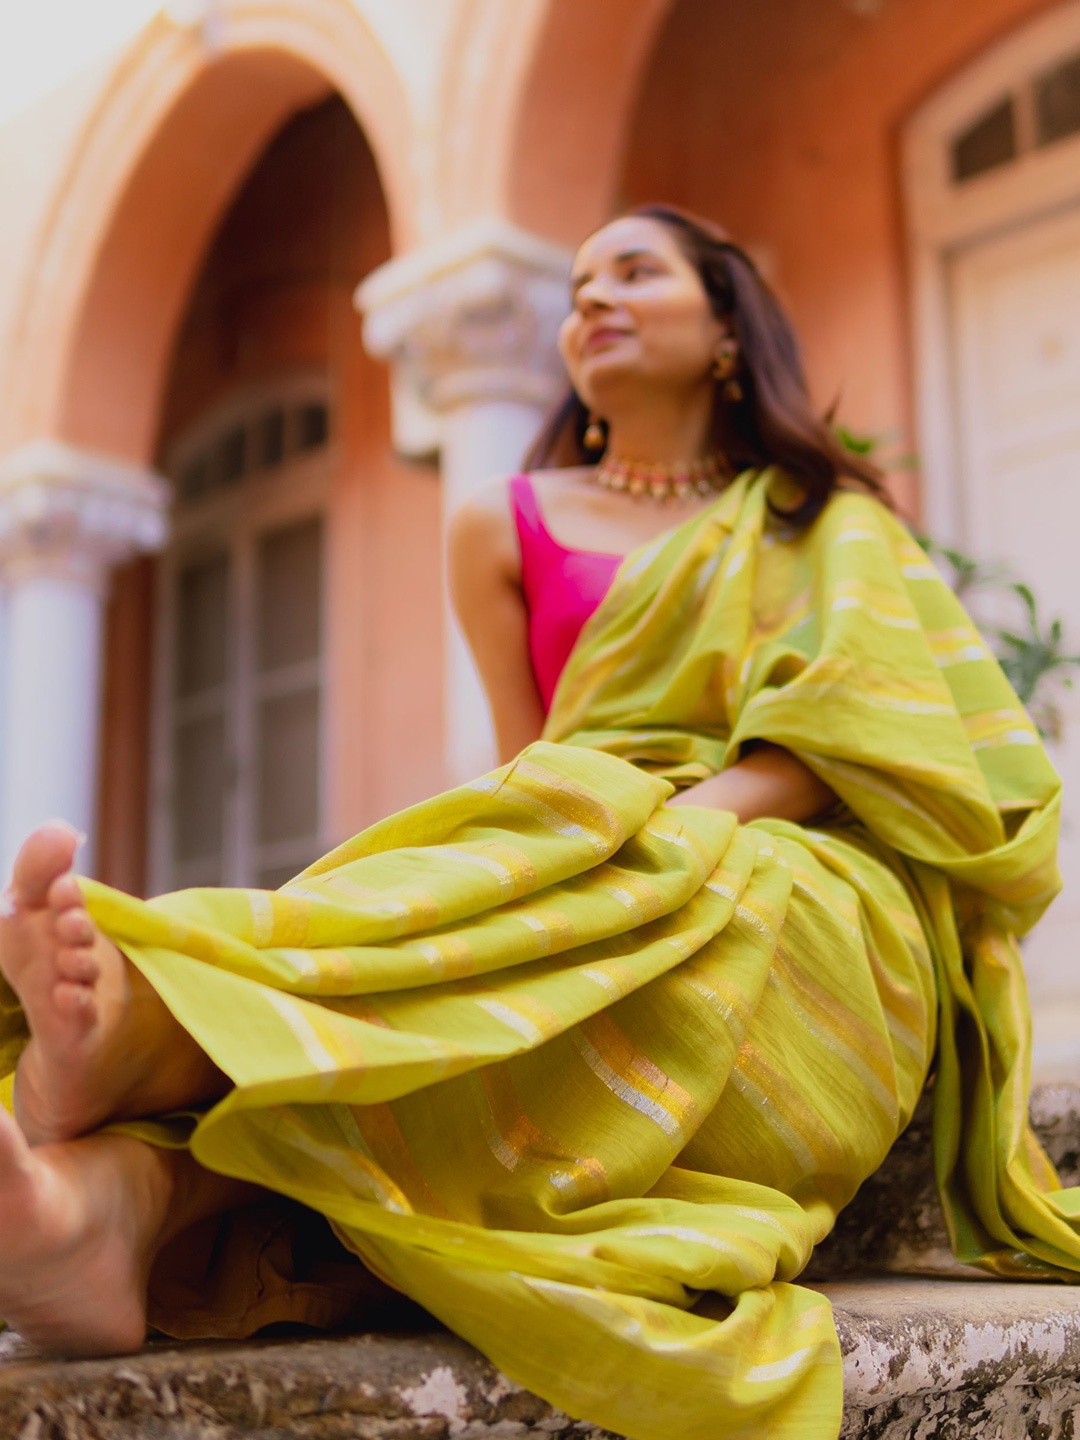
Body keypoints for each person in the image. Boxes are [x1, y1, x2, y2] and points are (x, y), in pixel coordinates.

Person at [0, 204, 1075, 1440]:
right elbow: (536, 760)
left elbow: (856, 743)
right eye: (575, 287)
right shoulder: (501, 524)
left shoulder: (827, 522)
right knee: (478, 926)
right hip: (585, 829)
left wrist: (653, 836)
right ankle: (100, 1210)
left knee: (661, 895)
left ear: (727, 325)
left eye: (635, 271)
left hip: (808, 884)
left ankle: (157, 1029)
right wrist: (567, 855)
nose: (593, 300)